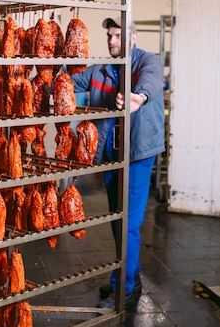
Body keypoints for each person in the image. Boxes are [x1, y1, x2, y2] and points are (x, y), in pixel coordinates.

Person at [69, 16, 165, 311]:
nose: (113, 41)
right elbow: (67, 79)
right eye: (110, 36)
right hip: (112, 156)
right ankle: (128, 278)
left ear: (132, 38)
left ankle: (122, 288)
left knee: (129, 224)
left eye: (118, 36)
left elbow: (150, 81)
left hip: (136, 154)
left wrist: (139, 97)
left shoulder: (145, 62)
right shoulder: (100, 70)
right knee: (117, 219)